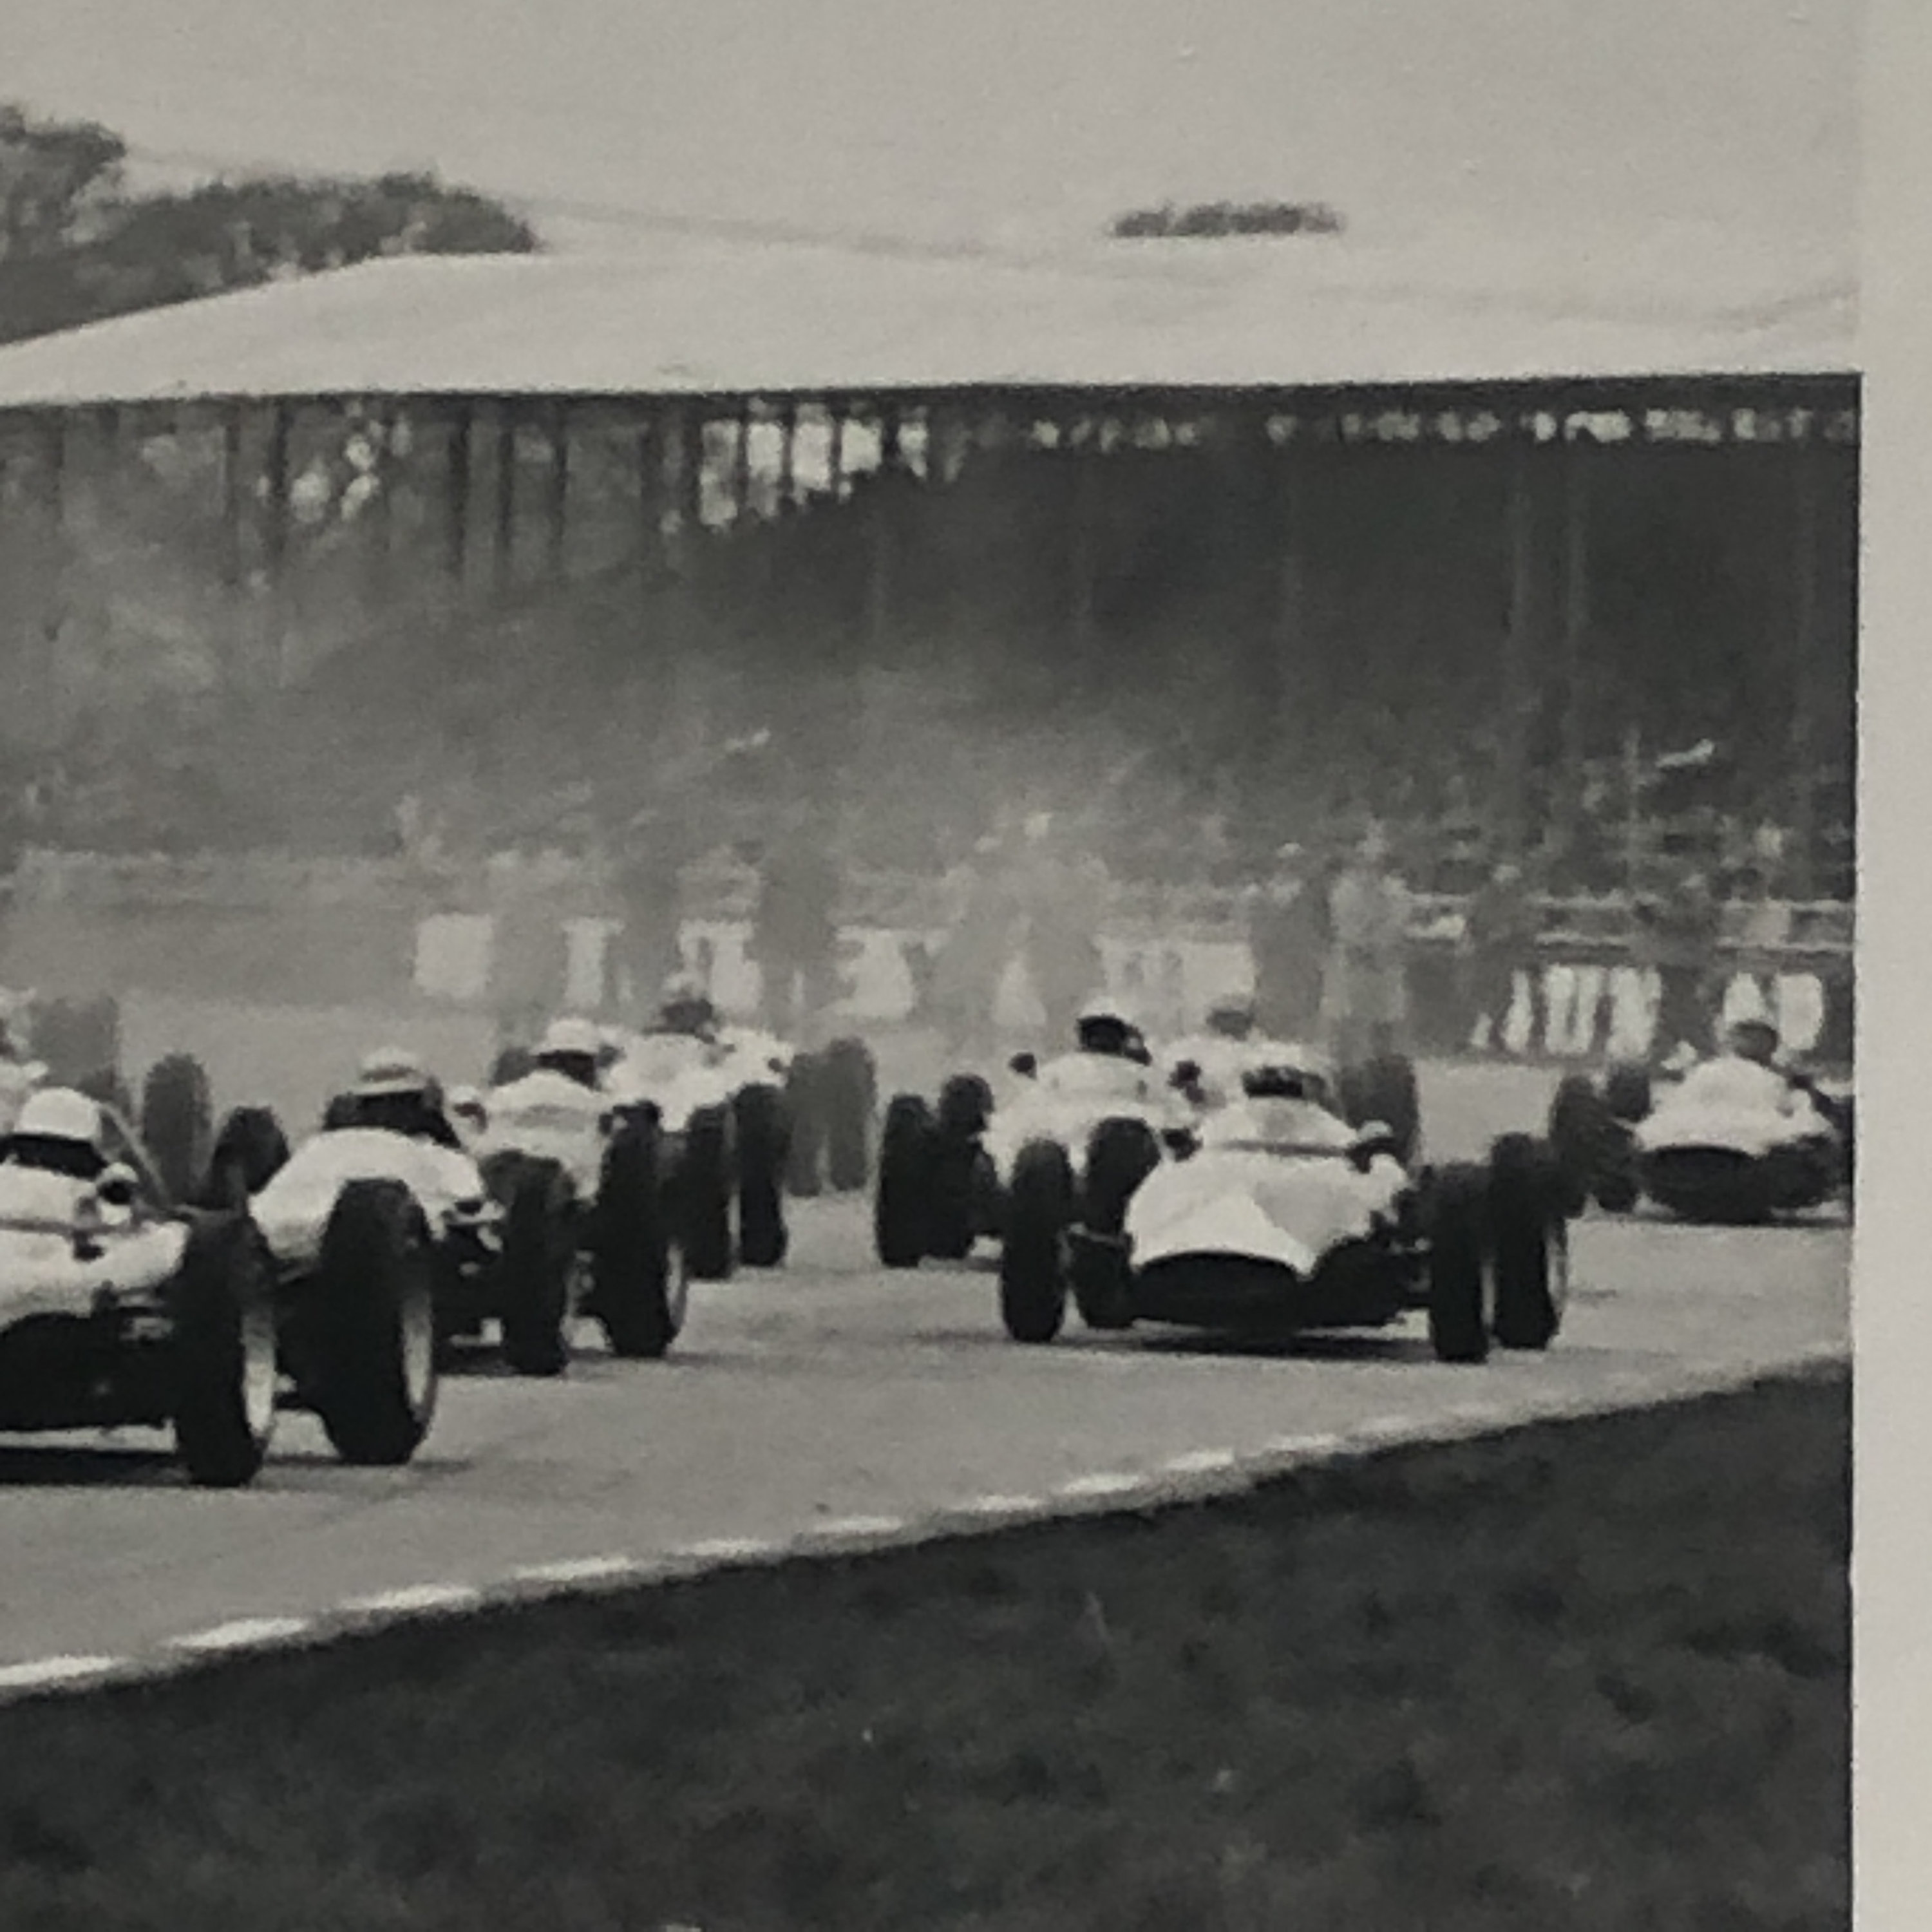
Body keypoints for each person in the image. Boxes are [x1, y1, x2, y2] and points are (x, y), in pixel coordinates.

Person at [1319, 822, 1412, 1066]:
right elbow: (1342, 921)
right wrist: (1361, 945)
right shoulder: (1344, 889)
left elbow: (1398, 922)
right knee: (1347, 1012)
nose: (1372, 870)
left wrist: (1381, 945)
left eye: (1378, 863)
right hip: (1353, 959)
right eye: (1366, 863)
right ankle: (1342, 1060)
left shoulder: (1397, 891)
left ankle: (1382, 1060)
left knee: (1385, 1014)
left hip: (1384, 960)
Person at [750, 810, 843, 1039]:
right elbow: (833, 895)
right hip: (813, 929)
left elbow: (762, 898)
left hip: (777, 930)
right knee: (816, 986)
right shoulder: (823, 861)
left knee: (778, 986)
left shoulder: (775, 860)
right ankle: (813, 1033)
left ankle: (779, 1032)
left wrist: (759, 929)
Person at [1248, 843, 1328, 1043]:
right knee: (1273, 1001)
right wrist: (1259, 951)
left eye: (1297, 862)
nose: (1292, 867)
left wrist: (1319, 953)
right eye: (1287, 862)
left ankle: (1299, 1039)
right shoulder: (1266, 892)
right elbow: (1258, 927)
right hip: (1275, 957)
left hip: (1302, 958)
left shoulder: (1313, 893)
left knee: (1302, 1004)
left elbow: (1322, 926)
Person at [1461, 859, 1542, 1056]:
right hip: (1484, 954)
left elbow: (1529, 923)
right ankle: (1475, 1038)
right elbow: (1472, 922)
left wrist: (1510, 931)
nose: (1507, 880)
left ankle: (1496, 1036)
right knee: (1481, 995)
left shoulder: (1520, 899)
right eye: (1503, 874)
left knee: (1504, 997)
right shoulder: (1483, 897)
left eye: (1511, 876)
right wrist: (1481, 937)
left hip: (1507, 955)